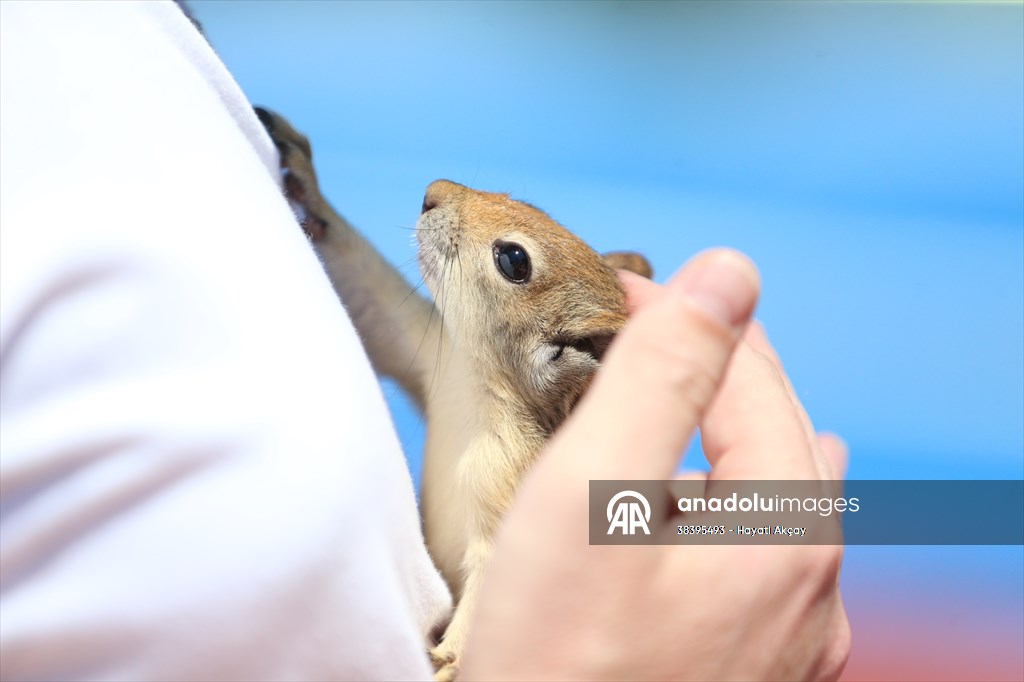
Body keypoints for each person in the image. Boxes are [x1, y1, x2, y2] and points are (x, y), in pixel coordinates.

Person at [0, 2, 849, 680]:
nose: (442, 198)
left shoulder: (524, 455)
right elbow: (395, 324)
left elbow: (498, 565)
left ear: (565, 360)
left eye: (507, 261)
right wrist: (323, 220)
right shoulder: (466, 371)